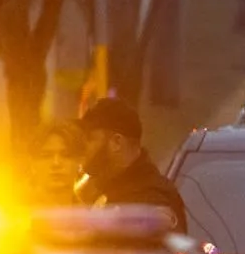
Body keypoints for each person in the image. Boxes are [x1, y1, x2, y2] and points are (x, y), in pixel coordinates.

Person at [76, 97, 188, 232]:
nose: (82, 147)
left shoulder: (151, 202)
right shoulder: (102, 190)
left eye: (90, 139)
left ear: (117, 142)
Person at [28, 121, 86, 206]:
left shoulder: (94, 214)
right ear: (33, 163)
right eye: (46, 156)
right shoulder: (13, 213)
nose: (56, 163)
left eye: (66, 155)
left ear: (80, 161)